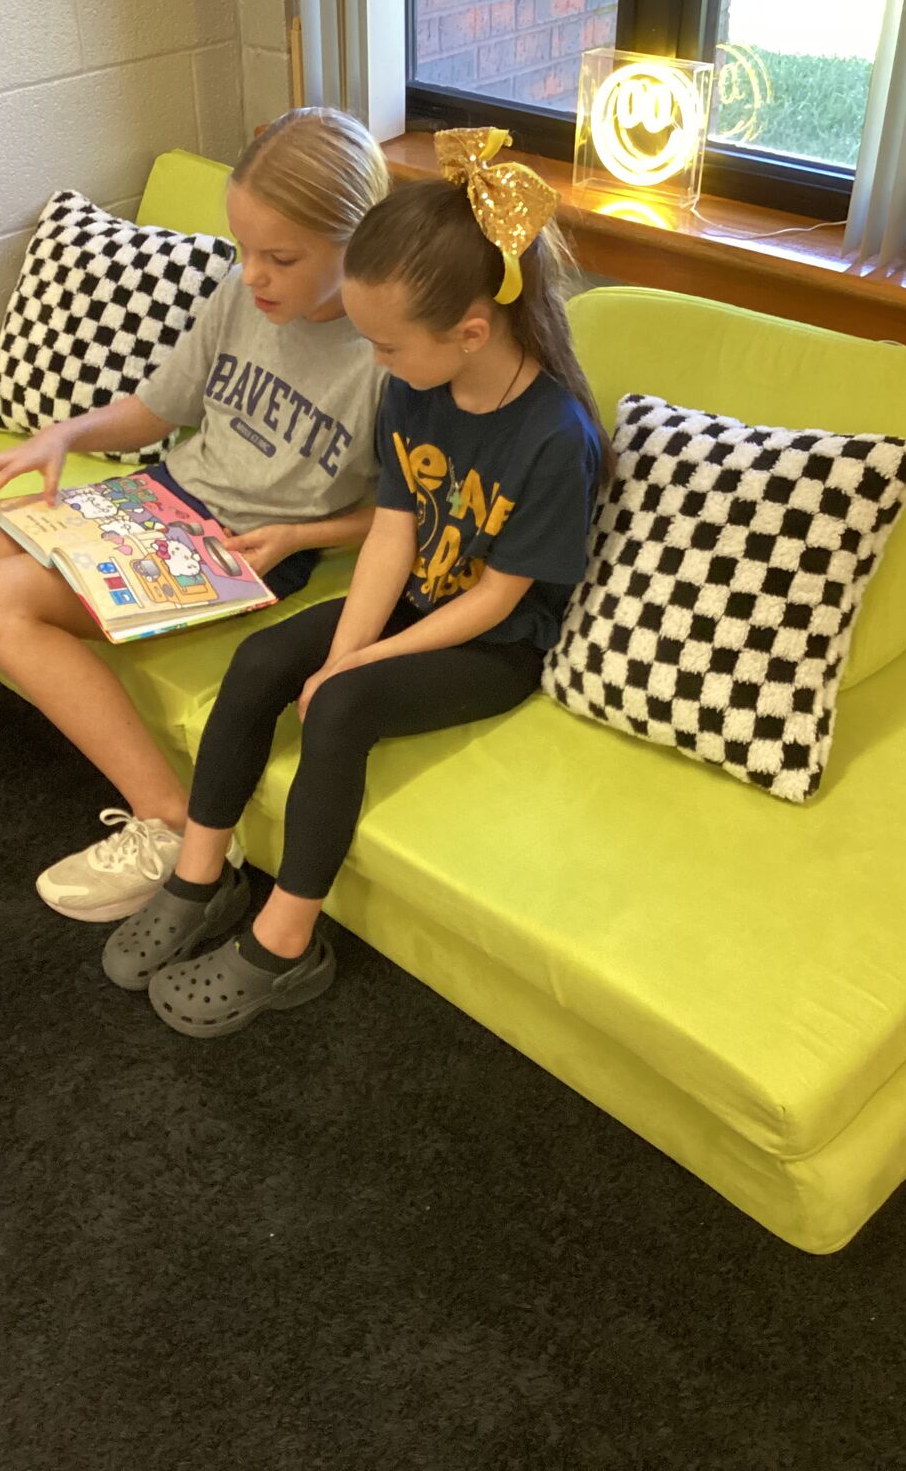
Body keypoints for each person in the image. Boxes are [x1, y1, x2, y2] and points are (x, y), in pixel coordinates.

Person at [101, 126, 614, 1035]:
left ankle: (287, 943)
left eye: (386, 348)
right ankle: (201, 876)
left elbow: (497, 598)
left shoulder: (553, 436)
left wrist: (351, 674)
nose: (375, 366)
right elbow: (394, 529)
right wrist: (344, 646)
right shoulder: (420, 384)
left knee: (340, 709)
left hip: (494, 645)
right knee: (264, 661)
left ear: (470, 330)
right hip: (420, 599)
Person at [0, 109, 390, 923]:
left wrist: (303, 535)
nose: (254, 275)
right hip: (166, 498)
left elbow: (409, 513)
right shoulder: (240, 297)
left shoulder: (390, 354)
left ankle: (173, 822)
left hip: (245, 547)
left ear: (359, 243)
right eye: (244, 250)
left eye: (283, 258)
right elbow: (157, 412)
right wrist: (66, 433)